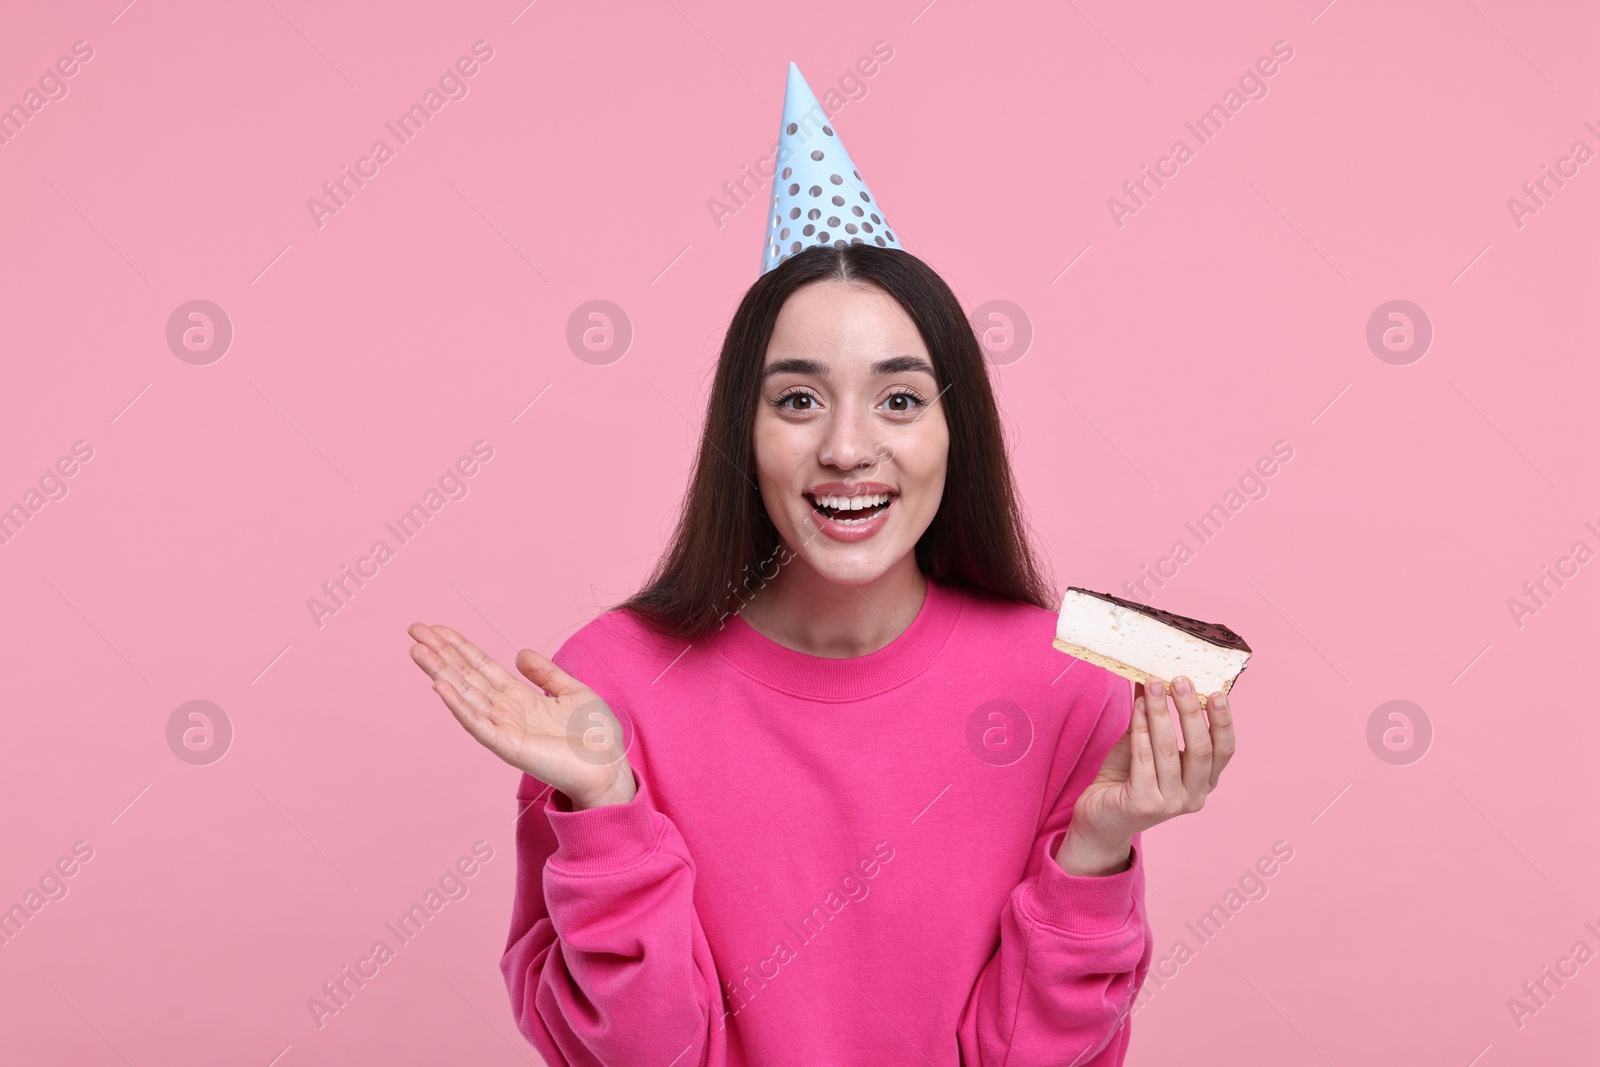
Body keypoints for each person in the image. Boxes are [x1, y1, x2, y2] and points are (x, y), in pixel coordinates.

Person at [405, 240, 1238, 1065]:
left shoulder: (1060, 686)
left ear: (960, 430)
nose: (845, 447)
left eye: (900, 401)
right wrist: (605, 807)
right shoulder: (611, 687)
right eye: (799, 399)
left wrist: (1095, 852)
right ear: (744, 432)